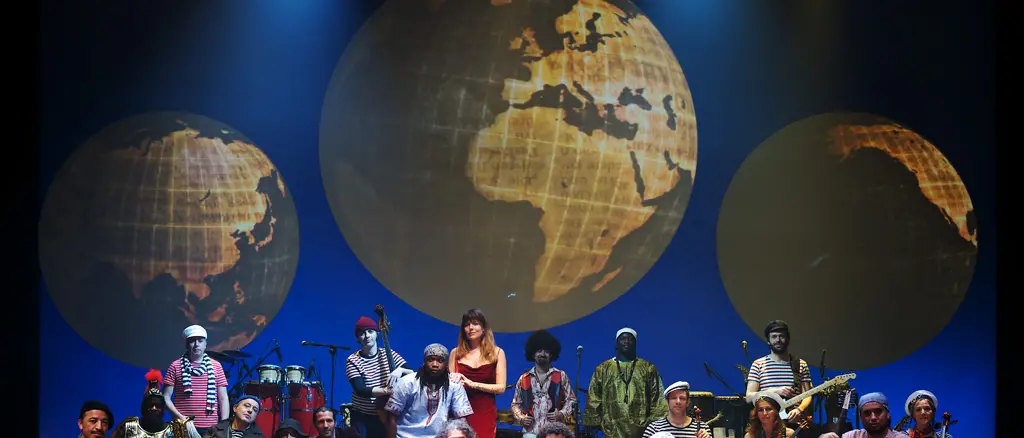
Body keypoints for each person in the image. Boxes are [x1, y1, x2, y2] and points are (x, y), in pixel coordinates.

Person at [582, 327, 667, 438]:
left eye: (630, 339)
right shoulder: (603, 369)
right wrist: (594, 421)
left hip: (642, 430)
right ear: (616, 344)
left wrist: (655, 423)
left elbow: (656, 397)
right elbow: (594, 397)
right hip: (611, 428)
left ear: (635, 344)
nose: (626, 342)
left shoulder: (648, 368)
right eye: (623, 339)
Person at [385, 343, 474, 438]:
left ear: (446, 364)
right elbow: (391, 418)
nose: (435, 364)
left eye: (440, 360)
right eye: (430, 360)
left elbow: (461, 421)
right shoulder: (407, 382)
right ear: (424, 361)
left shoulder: (454, 385)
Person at [346, 316, 415, 438]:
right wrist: (386, 391)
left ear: (376, 334)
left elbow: (413, 374)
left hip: (386, 414)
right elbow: (361, 390)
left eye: (370, 331)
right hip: (363, 416)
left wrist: (400, 370)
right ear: (358, 338)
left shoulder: (389, 354)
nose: (367, 336)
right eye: (362, 333)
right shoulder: (353, 360)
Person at [449, 308, 507, 438]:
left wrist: (473, 384)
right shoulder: (455, 353)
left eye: (475, 323)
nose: (470, 328)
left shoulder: (497, 353)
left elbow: (501, 388)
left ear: (483, 328)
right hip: (459, 413)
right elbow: (449, 387)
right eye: (466, 324)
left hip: (485, 412)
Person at [745, 321, 813, 427]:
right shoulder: (758, 364)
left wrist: (800, 409)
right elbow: (749, 397)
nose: (778, 340)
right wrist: (774, 391)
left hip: (794, 423)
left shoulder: (800, 364)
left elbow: (808, 395)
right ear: (768, 341)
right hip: (767, 425)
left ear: (788, 339)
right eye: (774, 337)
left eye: (782, 336)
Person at [510, 330, 577, 438]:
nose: (542, 354)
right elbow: (515, 404)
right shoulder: (524, 378)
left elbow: (571, 400)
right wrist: (521, 418)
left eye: (546, 351)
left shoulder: (561, 375)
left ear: (551, 354)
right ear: (533, 353)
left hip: (554, 433)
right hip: (530, 432)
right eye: (539, 350)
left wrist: (561, 414)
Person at [164, 325, 230, 434]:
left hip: (210, 427)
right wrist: (181, 417)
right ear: (186, 344)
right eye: (192, 341)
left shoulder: (216, 366)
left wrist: (223, 424)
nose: (196, 345)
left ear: (205, 344)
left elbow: (223, 398)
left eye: (200, 341)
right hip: (182, 426)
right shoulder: (175, 366)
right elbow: (165, 397)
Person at [111, 369, 202, 438]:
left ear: (163, 409)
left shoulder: (174, 430)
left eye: (158, 406)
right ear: (144, 408)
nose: (154, 408)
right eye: (150, 405)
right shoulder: (129, 426)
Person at [818, 392, 908, 438]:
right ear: (860, 418)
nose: (873, 417)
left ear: (888, 414)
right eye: (867, 413)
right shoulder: (853, 436)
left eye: (878, 411)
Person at [640, 381, 711, 438]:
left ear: (688, 402)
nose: (678, 402)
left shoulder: (703, 428)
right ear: (667, 402)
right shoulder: (654, 429)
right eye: (673, 398)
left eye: (682, 398)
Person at [202, 395, 266, 438]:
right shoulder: (214, 430)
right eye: (247, 405)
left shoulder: (259, 436)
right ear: (235, 408)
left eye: (255, 410)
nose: (250, 410)